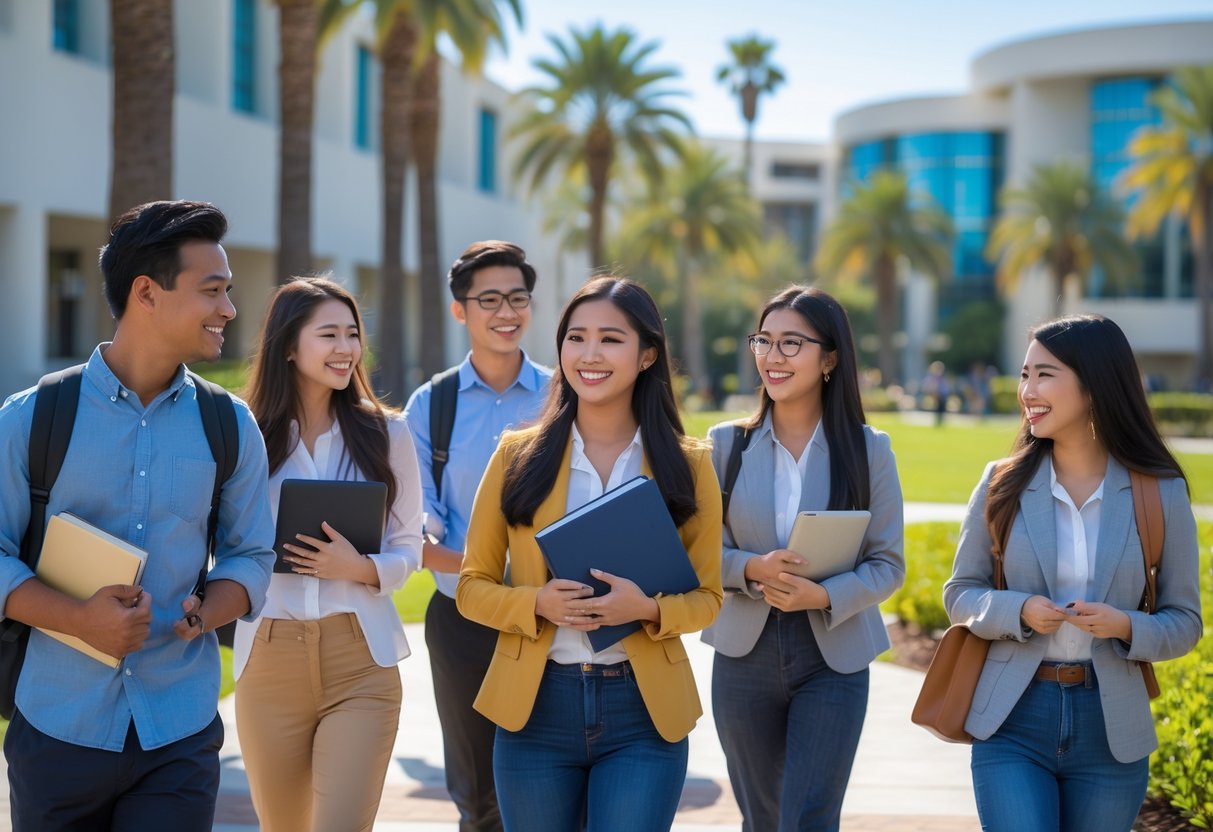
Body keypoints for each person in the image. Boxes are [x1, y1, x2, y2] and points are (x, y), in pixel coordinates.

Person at [0, 200, 276, 830]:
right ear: (146, 293)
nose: (229, 309)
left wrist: (211, 609)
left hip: (177, 733)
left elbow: (252, 554)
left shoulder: (229, 425)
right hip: (56, 727)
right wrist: (77, 619)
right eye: (213, 291)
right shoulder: (31, 418)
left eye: (228, 291)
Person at [456, 276, 723, 831]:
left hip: (643, 713)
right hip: (535, 710)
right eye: (576, 338)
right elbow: (472, 586)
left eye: (611, 339)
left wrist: (648, 610)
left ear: (647, 354)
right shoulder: (515, 456)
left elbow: (708, 598)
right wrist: (537, 603)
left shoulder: (690, 464)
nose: (589, 354)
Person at [944, 314, 1202, 832]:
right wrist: (1017, 609)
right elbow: (960, 594)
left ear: (1093, 385)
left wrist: (1126, 626)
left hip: (1112, 728)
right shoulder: (1001, 484)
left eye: (1044, 375)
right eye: (1024, 374)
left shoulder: (1162, 493)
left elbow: (1186, 620)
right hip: (1013, 718)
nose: (1026, 391)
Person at [703, 285, 905, 832]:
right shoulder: (724, 447)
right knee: (762, 818)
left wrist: (824, 595)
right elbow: (696, 553)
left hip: (833, 656)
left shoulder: (870, 450)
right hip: (744, 654)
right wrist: (748, 569)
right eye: (763, 340)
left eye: (792, 343)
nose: (773, 356)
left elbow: (888, 563)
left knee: (811, 818)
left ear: (830, 358)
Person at [233, 277, 424, 832]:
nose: (346, 348)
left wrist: (360, 569)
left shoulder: (389, 433)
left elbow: (409, 546)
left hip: (359, 658)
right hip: (269, 658)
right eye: (329, 335)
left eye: (352, 334)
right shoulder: (245, 436)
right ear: (289, 346)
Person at [403, 240, 551, 832]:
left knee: (553, 772)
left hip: (552, 615)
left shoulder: (564, 395)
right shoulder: (430, 406)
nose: (506, 311)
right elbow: (410, 527)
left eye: (518, 297)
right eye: (489, 299)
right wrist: (485, 573)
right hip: (463, 618)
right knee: (478, 793)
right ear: (459, 309)